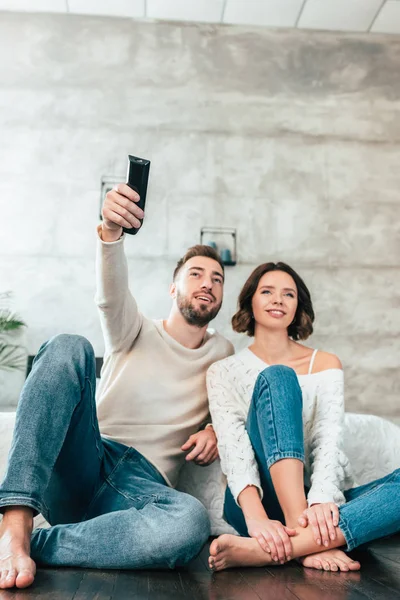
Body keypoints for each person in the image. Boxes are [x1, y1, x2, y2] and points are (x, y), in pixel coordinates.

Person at [0, 183, 233, 590]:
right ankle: (14, 527)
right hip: (90, 456)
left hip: (142, 490)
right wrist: (111, 231)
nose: (208, 283)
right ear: (173, 287)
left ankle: (38, 544)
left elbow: (234, 405)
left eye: (217, 279)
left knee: (189, 521)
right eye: (195, 273)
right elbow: (110, 296)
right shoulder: (135, 328)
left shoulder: (222, 352)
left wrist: (216, 429)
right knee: (68, 346)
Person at [206, 262, 400, 572]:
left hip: (314, 502)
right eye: (267, 291)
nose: (278, 300)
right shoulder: (222, 371)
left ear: (298, 307)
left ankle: (283, 548)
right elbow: (234, 448)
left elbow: (329, 438)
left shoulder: (325, 363)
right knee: (278, 377)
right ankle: (309, 536)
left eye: (289, 294)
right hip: (255, 504)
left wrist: (322, 499)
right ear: (250, 303)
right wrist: (257, 518)